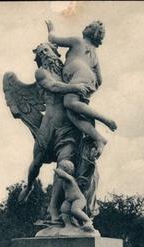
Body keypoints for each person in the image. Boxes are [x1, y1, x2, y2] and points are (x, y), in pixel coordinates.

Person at [46, 19, 117, 156]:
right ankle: (99, 138)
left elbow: (53, 39)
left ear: (93, 33)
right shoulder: (94, 55)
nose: (86, 25)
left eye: (90, 26)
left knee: (69, 102)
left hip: (80, 74)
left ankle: (105, 120)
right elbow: (100, 80)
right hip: (87, 77)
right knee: (71, 113)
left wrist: (51, 29)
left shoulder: (78, 41)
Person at [54, 160, 95, 231]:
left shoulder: (69, 178)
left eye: (60, 167)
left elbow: (61, 173)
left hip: (78, 199)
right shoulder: (64, 180)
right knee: (64, 209)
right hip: (69, 200)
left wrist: (56, 169)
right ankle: (69, 225)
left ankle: (88, 221)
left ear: (65, 169)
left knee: (75, 210)